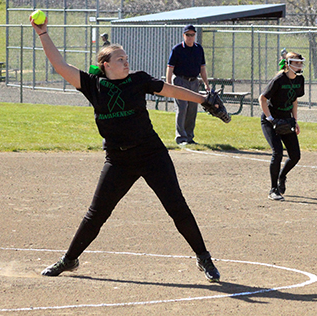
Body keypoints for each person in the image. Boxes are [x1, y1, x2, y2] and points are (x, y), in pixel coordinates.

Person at [30, 16, 220, 282]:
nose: (126, 61)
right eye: (120, 59)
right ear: (105, 65)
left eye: (126, 58)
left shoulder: (138, 80)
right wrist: (43, 33)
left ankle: (204, 258)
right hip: (118, 159)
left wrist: (203, 99)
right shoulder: (94, 86)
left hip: (151, 154)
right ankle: (69, 259)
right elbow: (60, 65)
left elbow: (171, 90)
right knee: (96, 214)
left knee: (177, 207)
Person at [258, 52, 305, 201]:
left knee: (295, 156)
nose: (299, 65)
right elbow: (262, 98)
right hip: (270, 119)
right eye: (296, 63)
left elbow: (294, 100)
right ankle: (273, 190)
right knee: (277, 152)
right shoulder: (279, 79)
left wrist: (295, 120)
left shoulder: (300, 80)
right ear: (288, 64)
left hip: (286, 119)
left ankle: (282, 176)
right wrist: (270, 118)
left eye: (300, 63)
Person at [166, 24, 210, 146]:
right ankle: (181, 137)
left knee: (192, 109)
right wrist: (169, 84)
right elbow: (170, 67)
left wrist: (206, 84)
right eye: (187, 35)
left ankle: (189, 137)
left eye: (192, 35)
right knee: (182, 108)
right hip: (180, 81)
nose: (190, 37)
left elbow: (202, 68)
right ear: (183, 35)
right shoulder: (177, 49)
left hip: (194, 82)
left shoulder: (198, 49)